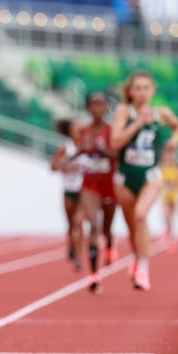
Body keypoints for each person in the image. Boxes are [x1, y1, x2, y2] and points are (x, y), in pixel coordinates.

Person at [110, 71, 178, 291]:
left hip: (150, 175)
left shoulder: (161, 113)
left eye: (146, 88)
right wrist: (137, 123)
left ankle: (143, 268)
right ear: (130, 91)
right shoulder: (124, 112)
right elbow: (115, 142)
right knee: (133, 226)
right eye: (137, 88)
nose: (142, 93)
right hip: (125, 177)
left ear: (153, 91)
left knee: (141, 216)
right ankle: (137, 258)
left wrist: (174, 140)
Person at [78, 93, 117, 293]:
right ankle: (94, 274)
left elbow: (117, 154)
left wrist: (100, 149)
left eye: (101, 104)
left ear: (106, 109)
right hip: (89, 184)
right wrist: (69, 159)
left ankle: (110, 246)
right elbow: (78, 151)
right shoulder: (83, 131)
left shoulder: (111, 131)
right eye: (94, 104)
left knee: (106, 229)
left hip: (108, 183)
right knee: (93, 225)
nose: (97, 108)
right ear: (89, 109)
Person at [51, 119, 84, 272]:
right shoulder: (66, 148)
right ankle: (71, 245)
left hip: (84, 191)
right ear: (70, 131)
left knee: (79, 223)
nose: (79, 131)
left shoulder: (88, 147)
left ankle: (78, 257)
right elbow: (53, 166)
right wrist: (65, 163)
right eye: (76, 128)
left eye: (81, 129)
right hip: (69, 190)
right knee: (71, 224)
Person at [159, 146, 178, 249]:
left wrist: (174, 186)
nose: (169, 156)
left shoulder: (176, 167)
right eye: (167, 154)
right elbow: (159, 180)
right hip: (165, 193)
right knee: (166, 212)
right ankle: (168, 229)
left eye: (171, 154)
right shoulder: (161, 167)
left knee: (172, 213)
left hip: (173, 193)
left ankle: (171, 229)